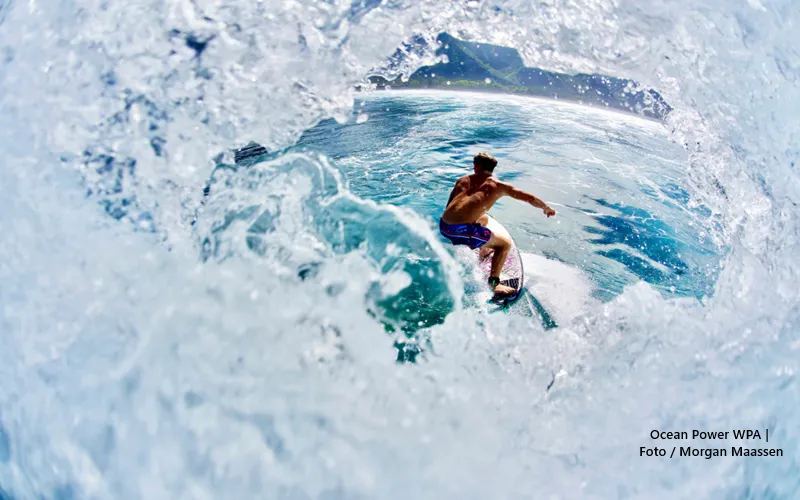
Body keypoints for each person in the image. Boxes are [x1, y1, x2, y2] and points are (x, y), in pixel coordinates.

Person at [440, 152, 556, 296]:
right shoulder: (499, 186)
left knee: (483, 219)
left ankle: (483, 250)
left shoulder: (462, 180)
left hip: (444, 226)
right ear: (492, 168)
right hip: (460, 231)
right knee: (504, 245)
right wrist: (546, 208)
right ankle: (494, 284)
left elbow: (448, 207)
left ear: (477, 166)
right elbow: (530, 198)